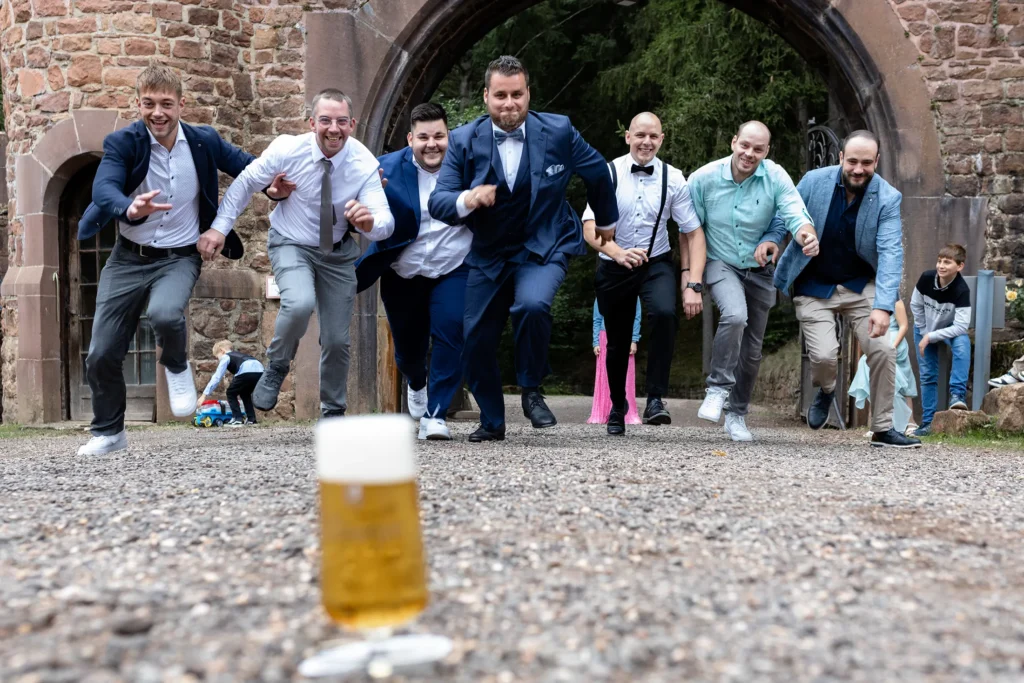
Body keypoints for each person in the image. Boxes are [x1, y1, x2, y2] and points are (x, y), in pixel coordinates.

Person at [74, 66, 292, 456]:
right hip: (127, 258)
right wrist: (129, 207)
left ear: (181, 105)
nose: (158, 112)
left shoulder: (204, 141)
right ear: (138, 103)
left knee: (165, 313)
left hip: (179, 257)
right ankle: (109, 432)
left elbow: (249, 165)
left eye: (166, 104)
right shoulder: (123, 142)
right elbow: (104, 187)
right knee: (102, 351)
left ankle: (176, 364)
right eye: (149, 103)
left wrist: (273, 187)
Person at [428, 55, 618, 442]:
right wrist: (468, 198)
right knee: (475, 337)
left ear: (528, 93)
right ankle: (493, 421)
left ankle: (531, 389)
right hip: (490, 252)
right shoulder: (464, 139)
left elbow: (598, 170)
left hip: (544, 244)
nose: (509, 103)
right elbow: (439, 201)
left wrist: (607, 220)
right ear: (486, 96)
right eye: (501, 95)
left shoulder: (559, 131)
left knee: (531, 305)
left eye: (517, 94)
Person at [210, 88, 394, 419]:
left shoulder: (363, 162)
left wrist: (370, 223)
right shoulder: (286, 150)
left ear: (352, 123)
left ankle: (333, 412)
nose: (333, 129)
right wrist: (219, 229)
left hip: (337, 256)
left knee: (337, 340)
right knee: (299, 303)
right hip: (291, 243)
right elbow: (245, 184)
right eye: (325, 120)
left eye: (341, 121)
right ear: (312, 123)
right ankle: (277, 365)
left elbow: (385, 221)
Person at [769, 129, 920, 448]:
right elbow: (786, 214)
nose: (858, 169)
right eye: (852, 161)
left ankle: (882, 428)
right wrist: (771, 240)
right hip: (813, 284)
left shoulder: (888, 197)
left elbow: (892, 252)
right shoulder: (813, 181)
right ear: (840, 158)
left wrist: (883, 306)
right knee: (824, 356)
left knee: (883, 349)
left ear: (876, 162)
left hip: (860, 285)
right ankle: (825, 391)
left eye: (867, 162)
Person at [687, 121, 819, 442]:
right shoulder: (702, 179)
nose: (749, 153)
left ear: (766, 151)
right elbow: (691, 230)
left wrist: (806, 235)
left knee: (752, 351)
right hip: (721, 263)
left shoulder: (774, 176)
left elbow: (793, 212)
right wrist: (690, 277)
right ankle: (717, 387)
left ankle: (737, 414)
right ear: (734, 142)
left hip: (760, 271)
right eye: (745, 145)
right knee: (735, 315)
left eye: (758, 149)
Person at [581, 112, 705, 436]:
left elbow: (693, 231)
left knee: (665, 313)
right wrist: (618, 252)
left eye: (653, 136)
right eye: (640, 135)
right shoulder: (607, 173)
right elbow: (589, 229)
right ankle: (617, 408)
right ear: (628, 137)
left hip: (656, 261)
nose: (646, 142)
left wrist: (693, 283)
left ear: (662, 139)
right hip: (613, 262)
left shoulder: (674, 178)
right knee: (618, 340)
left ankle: (655, 398)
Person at [355, 103, 470, 440]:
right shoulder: (383, 169)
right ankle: (416, 382)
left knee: (452, 332)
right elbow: (350, 199)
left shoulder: (469, 166)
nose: (431, 144)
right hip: (402, 271)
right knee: (408, 350)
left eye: (439, 136)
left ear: (449, 136)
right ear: (410, 139)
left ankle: (436, 415)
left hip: (454, 267)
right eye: (423, 137)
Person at [910, 243, 972, 436]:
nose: (941, 266)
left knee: (963, 343)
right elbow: (915, 306)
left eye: (947, 262)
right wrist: (924, 332)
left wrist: (933, 336)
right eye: (939, 261)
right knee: (928, 374)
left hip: (948, 330)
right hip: (924, 329)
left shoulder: (961, 289)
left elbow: (961, 326)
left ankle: (956, 395)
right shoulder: (926, 278)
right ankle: (927, 423)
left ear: (960, 266)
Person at [848, 300, 919, 436]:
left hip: (895, 343)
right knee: (870, 372)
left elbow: (904, 326)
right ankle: (877, 424)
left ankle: (910, 422)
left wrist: (893, 346)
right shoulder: (868, 300)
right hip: (878, 342)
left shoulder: (896, 301)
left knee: (902, 379)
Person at [588, 299, 642, 426]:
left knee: (626, 374)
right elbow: (597, 318)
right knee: (606, 376)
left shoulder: (633, 292)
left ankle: (626, 413)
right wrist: (595, 341)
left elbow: (636, 317)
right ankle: (603, 412)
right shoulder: (602, 292)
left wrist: (634, 339)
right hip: (604, 335)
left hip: (626, 335)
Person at [200, 340, 265, 426]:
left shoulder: (226, 356)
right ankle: (251, 419)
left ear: (222, 351)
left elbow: (217, 377)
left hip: (246, 371)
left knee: (231, 392)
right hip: (260, 371)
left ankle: (237, 418)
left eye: (217, 356)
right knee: (245, 393)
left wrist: (204, 395)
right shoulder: (241, 355)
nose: (218, 359)